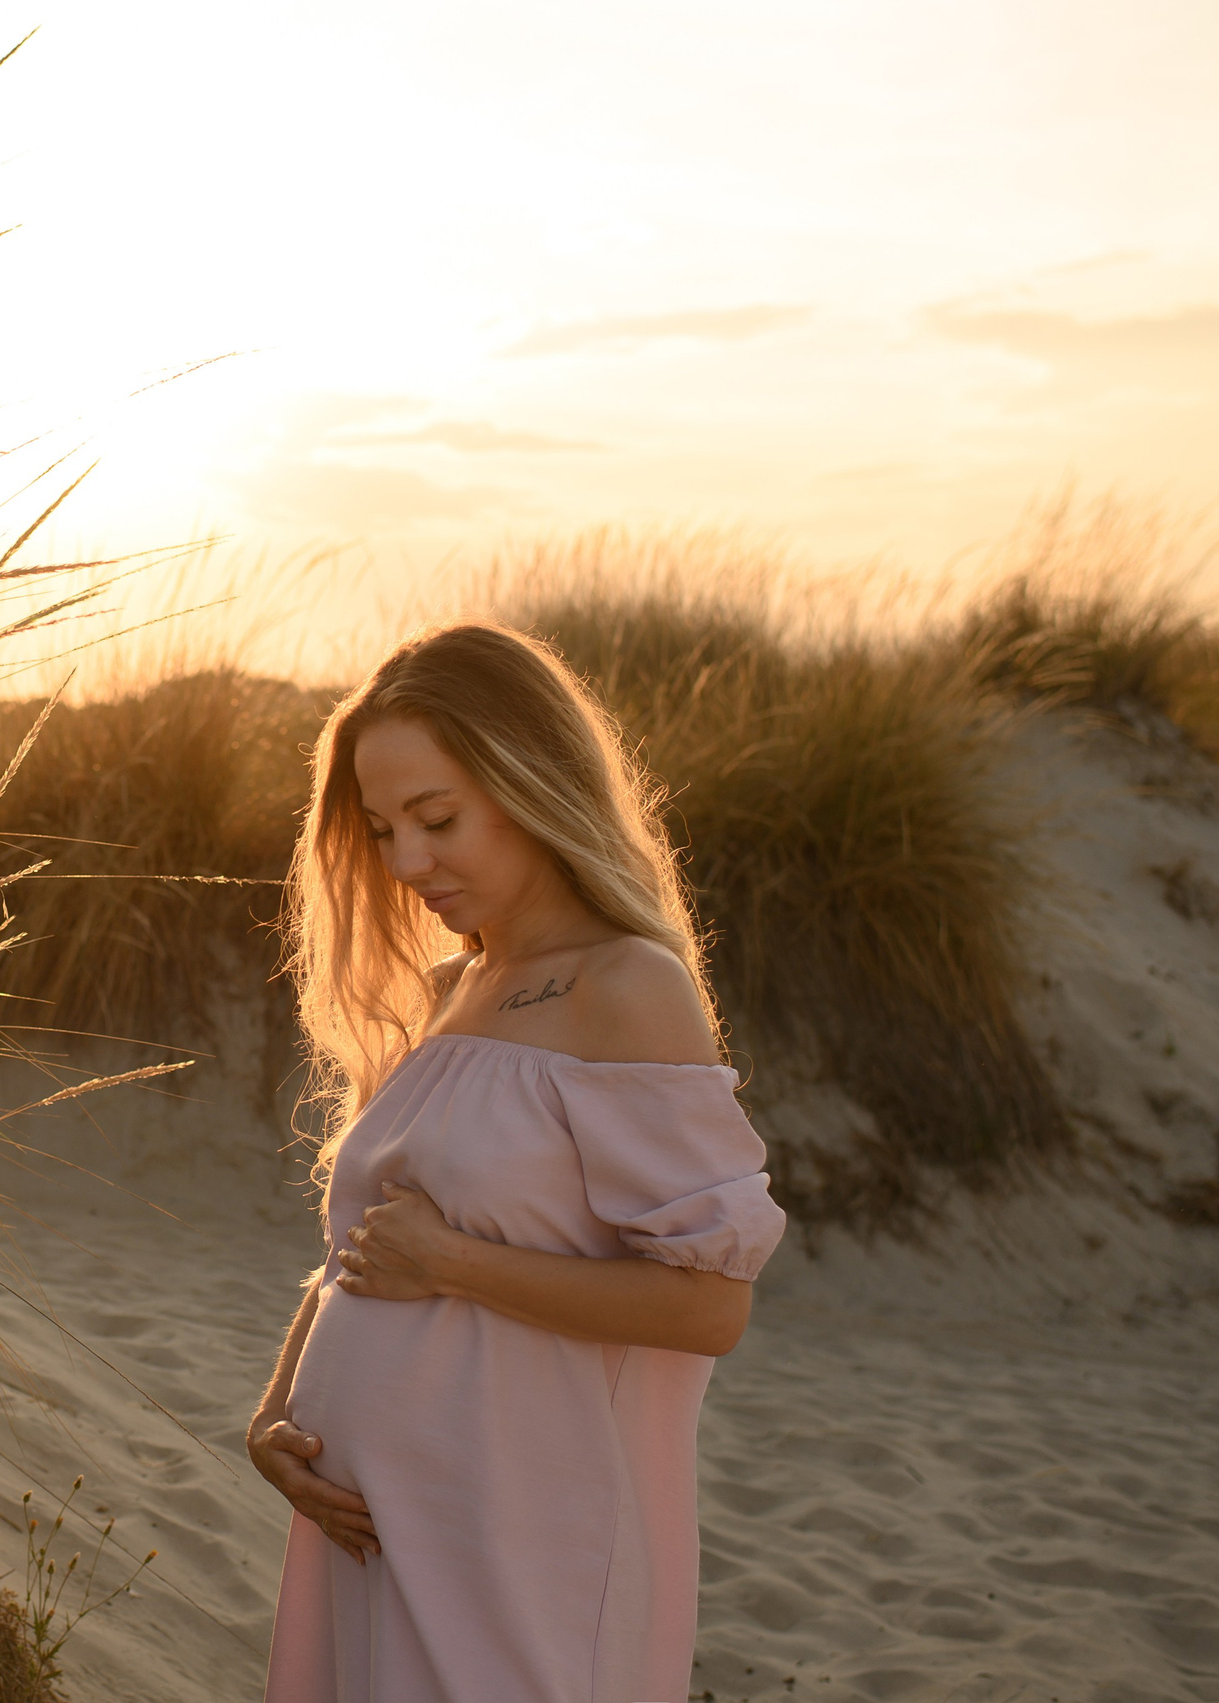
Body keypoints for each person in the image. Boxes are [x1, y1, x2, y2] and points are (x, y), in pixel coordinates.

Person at [247, 621, 787, 1703]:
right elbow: (368, 1243)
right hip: (369, 1523)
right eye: (383, 827)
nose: (406, 862)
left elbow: (708, 1305)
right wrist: (272, 1410)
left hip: (514, 1527)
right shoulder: (454, 990)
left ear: (530, 778)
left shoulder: (623, 984)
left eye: (436, 818)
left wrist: (455, 1261)